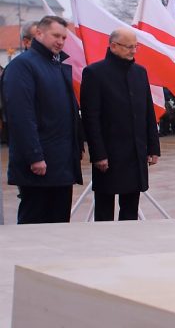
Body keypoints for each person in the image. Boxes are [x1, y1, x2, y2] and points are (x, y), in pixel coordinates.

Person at [2, 15, 83, 224]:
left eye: (64, 37)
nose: (60, 41)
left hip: (61, 163)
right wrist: (34, 156)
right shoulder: (23, 66)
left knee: (59, 225)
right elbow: (21, 116)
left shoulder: (57, 65)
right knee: (34, 226)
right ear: (39, 33)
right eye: (56, 35)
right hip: (39, 165)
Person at [80, 28, 161, 221]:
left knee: (131, 207)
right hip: (109, 154)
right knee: (105, 209)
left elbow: (148, 112)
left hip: (135, 152)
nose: (134, 51)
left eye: (136, 46)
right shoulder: (94, 73)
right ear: (113, 46)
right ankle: (105, 246)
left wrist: (153, 147)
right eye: (129, 47)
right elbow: (91, 118)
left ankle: (130, 244)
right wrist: (98, 153)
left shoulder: (140, 73)